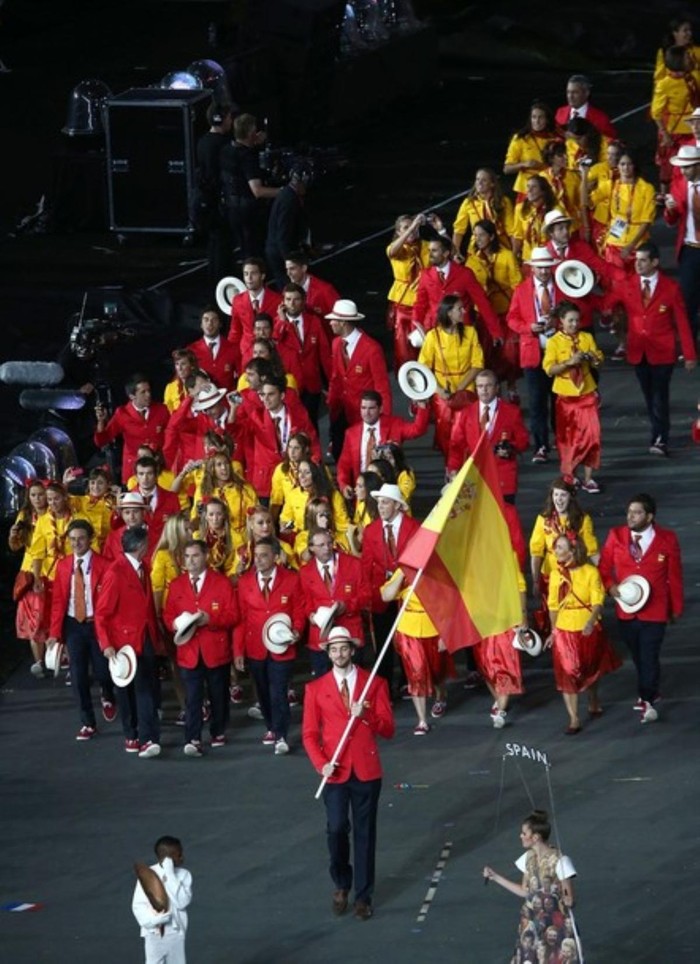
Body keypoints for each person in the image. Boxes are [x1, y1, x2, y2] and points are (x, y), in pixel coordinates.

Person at [301, 627, 395, 920]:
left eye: (344, 648)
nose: (339, 654)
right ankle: (342, 882)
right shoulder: (314, 689)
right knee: (337, 828)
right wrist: (321, 764)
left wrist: (365, 714)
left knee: (366, 835)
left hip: (367, 771)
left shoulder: (375, 683)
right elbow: (308, 734)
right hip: (335, 771)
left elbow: (388, 729)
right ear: (327, 653)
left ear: (352, 650)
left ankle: (364, 896)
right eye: (333, 649)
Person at [599, 493, 685, 724]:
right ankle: (650, 689)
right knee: (637, 655)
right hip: (626, 609)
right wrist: (610, 587)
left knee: (648, 654)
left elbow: (674, 576)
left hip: (655, 611)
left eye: (636, 513)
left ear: (649, 516)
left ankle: (647, 698)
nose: (631, 517)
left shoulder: (667, 538)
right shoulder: (616, 536)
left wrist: (676, 608)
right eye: (629, 512)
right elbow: (604, 568)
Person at [613, 242, 697, 455]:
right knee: (649, 395)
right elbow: (608, 303)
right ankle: (658, 429)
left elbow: (682, 323)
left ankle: (660, 437)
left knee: (660, 395)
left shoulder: (670, 288)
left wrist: (689, 355)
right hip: (638, 351)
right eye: (636, 260)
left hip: (663, 352)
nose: (637, 264)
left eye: (642, 260)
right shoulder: (628, 284)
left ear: (655, 262)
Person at [163, 539, 239, 755]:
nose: (191, 561)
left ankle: (218, 730)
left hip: (216, 650)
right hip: (188, 651)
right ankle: (193, 737)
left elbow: (233, 615)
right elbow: (168, 615)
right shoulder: (176, 584)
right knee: (193, 696)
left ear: (205, 556)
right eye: (187, 557)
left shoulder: (222, 582)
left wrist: (210, 620)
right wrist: (175, 623)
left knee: (218, 694)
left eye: (195, 556)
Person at [95, 525, 164, 757]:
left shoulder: (143, 566)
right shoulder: (116, 572)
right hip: (123, 644)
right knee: (128, 692)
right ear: (141, 546)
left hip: (144, 638)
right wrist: (106, 644)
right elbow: (102, 613)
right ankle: (134, 735)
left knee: (145, 688)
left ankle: (146, 738)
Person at [46, 519, 117, 740]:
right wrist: (54, 634)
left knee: (103, 672)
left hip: (97, 624)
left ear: (91, 539)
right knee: (78, 676)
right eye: (72, 539)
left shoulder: (105, 565)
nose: (76, 543)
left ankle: (108, 694)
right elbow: (58, 601)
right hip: (73, 625)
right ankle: (88, 723)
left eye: (81, 538)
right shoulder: (64, 564)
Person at [233, 537, 304, 754]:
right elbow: (241, 619)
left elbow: (299, 609)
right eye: (257, 556)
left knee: (279, 691)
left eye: (264, 555)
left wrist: (297, 630)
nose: (259, 560)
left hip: (282, 646)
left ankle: (281, 734)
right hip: (255, 647)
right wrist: (238, 650)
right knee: (263, 692)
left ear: (276, 557)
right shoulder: (245, 582)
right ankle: (271, 726)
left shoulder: (291, 579)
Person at [546, 534, 621, 733]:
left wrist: (590, 621)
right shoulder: (556, 575)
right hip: (564, 629)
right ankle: (574, 718)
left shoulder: (590, 572)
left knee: (590, 668)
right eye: (555, 547)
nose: (556, 551)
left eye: (560, 547)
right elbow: (552, 605)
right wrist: (553, 631)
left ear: (573, 551)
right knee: (567, 673)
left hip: (587, 628)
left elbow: (598, 601)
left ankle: (593, 699)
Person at [483, 809, 577, 963]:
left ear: (536, 837)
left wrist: (567, 899)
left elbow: (570, 899)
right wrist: (495, 877)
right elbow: (525, 891)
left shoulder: (561, 860)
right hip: (532, 922)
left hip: (553, 925)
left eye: (524, 833)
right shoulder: (528, 858)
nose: (520, 836)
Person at [361, 483, 420, 689]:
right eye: (379, 503)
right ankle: (385, 686)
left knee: (407, 640)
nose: (381, 507)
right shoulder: (371, 530)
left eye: (385, 503)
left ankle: (409, 681)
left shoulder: (413, 528)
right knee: (384, 643)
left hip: (407, 593)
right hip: (382, 596)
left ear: (396, 505)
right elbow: (366, 565)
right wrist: (370, 595)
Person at [506, 247, 562, 462]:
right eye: (540, 267)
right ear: (532, 268)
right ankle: (541, 446)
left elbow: (572, 312)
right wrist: (529, 328)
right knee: (537, 403)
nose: (544, 271)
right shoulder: (521, 290)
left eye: (548, 268)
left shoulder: (561, 288)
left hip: (559, 352)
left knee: (559, 400)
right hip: (533, 353)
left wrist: (557, 322)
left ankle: (561, 440)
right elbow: (511, 319)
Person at [542, 301, 604, 492]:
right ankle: (570, 475)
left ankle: (588, 478)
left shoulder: (586, 337)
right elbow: (549, 369)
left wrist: (593, 358)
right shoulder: (553, 342)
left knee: (592, 437)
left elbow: (599, 361)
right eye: (570, 320)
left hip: (586, 394)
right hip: (565, 397)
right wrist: (569, 362)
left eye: (577, 320)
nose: (574, 324)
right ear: (561, 321)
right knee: (568, 439)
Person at [380, 568, 451, 733]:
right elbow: (386, 596)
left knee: (436, 671)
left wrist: (445, 634)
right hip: (409, 628)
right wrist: (402, 575)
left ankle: (440, 697)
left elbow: (448, 604)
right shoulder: (402, 571)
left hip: (434, 626)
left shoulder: (437, 570)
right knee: (416, 672)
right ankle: (422, 720)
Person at [447, 369, 529, 503]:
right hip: (474, 477)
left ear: (497, 388)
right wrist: (453, 469)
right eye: (480, 386)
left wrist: (510, 448)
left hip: (503, 478)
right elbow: (456, 445)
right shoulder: (466, 413)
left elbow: (523, 441)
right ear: (476, 389)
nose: (484, 390)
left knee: (503, 520)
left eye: (488, 386)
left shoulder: (511, 412)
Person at [417, 294, 485, 457]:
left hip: (466, 386)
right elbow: (423, 368)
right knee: (445, 429)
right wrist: (439, 390)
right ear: (448, 313)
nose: (463, 311)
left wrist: (460, 389)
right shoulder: (433, 336)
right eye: (459, 308)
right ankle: (450, 465)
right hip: (441, 387)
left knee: (467, 427)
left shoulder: (470, 332)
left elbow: (477, 364)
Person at [233, 374, 320, 500]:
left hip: (295, 480)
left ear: (282, 395)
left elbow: (313, 442)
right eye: (262, 395)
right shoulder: (256, 416)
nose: (266, 399)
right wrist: (233, 410)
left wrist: (314, 464)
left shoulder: (299, 415)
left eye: (271, 394)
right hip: (265, 482)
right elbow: (236, 432)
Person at [529, 479, 599, 634]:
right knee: (552, 609)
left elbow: (592, 551)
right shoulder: (543, 519)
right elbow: (536, 552)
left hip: (576, 575)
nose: (558, 499)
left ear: (571, 497)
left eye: (563, 495)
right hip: (550, 575)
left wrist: (604, 574)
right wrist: (535, 580)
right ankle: (555, 640)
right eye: (556, 495)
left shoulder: (582, 520)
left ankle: (572, 640)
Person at [325, 299, 393, 459]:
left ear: (343, 323)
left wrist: (386, 421)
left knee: (360, 458)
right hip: (340, 412)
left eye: (333, 320)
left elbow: (382, 386)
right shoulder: (336, 344)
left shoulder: (372, 349)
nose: (330, 323)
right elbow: (336, 377)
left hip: (363, 414)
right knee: (339, 455)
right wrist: (331, 404)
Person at [299, 527, 370, 677]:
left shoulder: (353, 564)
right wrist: (310, 614)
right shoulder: (305, 572)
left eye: (329, 543)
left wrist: (348, 606)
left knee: (354, 679)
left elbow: (366, 594)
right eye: (321, 545)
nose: (327, 548)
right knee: (324, 682)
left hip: (350, 630)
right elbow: (304, 600)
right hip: (321, 635)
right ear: (311, 548)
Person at [336, 390, 429, 498]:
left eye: (371, 408)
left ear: (380, 409)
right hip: (363, 491)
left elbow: (418, 429)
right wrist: (344, 484)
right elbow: (343, 465)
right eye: (363, 408)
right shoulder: (351, 433)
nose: (367, 412)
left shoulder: (394, 424)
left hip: (388, 490)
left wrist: (422, 406)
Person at [466, 218, 523, 394]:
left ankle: (512, 385)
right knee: (487, 354)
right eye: (475, 235)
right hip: (483, 314)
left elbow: (517, 285)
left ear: (491, 236)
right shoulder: (472, 260)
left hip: (505, 311)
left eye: (481, 235)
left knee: (510, 353)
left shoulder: (506, 256)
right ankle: (493, 390)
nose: (478, 239)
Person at [411, 235, 503, 341]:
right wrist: (415, 328)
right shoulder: (425, 275)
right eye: (429, 250)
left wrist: (496, 331)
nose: (430, 254)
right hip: (435, 331)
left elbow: (483, 303)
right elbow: (420, 305)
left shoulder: (465, 274)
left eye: (434, 251)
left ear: (446, 253)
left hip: (462, 330)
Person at [582, 151, 656, 275]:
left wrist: (630, 246)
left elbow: (646, 221)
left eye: (629, 164)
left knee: (636, 282)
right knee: (616, 282)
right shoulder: (611, 185)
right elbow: (586, 201)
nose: (625, 168)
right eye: (622, 164)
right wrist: (584, 176)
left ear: (635, 166)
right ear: (618, 166)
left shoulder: (646, 188)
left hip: (637, 243)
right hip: (614, 241)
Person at [220, 112, 279, 259]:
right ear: (251, 133)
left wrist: (252, 144)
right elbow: (257, 191)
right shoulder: (247, 158)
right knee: (254, 252)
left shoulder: (226, 151)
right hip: (249, 212)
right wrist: (284, 191)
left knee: (245, 250)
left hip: (231, 207)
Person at [273, 282, 332, 427]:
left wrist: (331, 384)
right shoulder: (277, 324)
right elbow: (274, 343)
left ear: (304, 300)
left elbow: (324, 355)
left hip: (312, 384)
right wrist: (282, 322)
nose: (292, 304)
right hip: (289, 386)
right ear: (283, 302)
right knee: (291, 425)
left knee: (312, 424)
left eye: (296, 299)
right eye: (288, 299)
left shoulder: (314, 321)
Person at [93, 373, 170, 483]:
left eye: (149, 390)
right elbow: (101, 441)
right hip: (133, 473)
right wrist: (101, 421)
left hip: (159, 469)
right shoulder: (122, 413)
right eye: (143, 392)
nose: (148, 394)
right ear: (132, 396)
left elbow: (172, 436)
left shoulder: (161, 410)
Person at [9, 480, 49, 676]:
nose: (37, 499)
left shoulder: (53, 514)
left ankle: (57, 658)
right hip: (29, 574)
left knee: (51, 617)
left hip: (51, 570)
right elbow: (15, 547)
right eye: (33, 495)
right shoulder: (24, 516)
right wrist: (12, 536)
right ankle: (39, 662)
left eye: (41, 494)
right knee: (34, 618)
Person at [132, 835, 192, 964]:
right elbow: (138, 905)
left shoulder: (184, 875)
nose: (182, 857)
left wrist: (170, 875)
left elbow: (182, 903)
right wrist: (153, 921)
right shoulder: (149, 875)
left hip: (176, 934)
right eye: (179, 854)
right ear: (167, 858)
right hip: (154, 934)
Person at [193, 102, 233, 293]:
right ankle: (222, 285)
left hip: (204, 202)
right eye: (229, 117)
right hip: (216, 203)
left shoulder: (202, 141)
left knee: (215, 244)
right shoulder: (222, 144)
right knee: (222, 246)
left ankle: (216, 284)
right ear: (220, 119)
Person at [385, 213, 433, 372]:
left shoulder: (427, 246)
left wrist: (441, 230)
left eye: (413, 227)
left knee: (426, 349)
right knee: (404, 352)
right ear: (398, 232)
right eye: (405, 228)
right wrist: (412, 227)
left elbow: (448, 254)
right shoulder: (398, 250)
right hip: (403, 305)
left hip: (424, 304)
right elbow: (392, 251)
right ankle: (412, 388)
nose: (411, 231)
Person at [663, 144, 700, 341]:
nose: (682, 171)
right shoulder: (678, 185)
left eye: (687, 167)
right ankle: (690, 347)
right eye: (681, 167)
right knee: (688, 302)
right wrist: (670, 210)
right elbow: (670, 220)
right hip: (690, 251)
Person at [651, 45, 700, 191]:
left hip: (694, 127)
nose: (690, 58)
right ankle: (668, 197)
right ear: (678, 60)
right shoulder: (664, 84)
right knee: (671, 166)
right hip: (675, 131)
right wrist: (665, 135)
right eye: (686, 56)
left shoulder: (695, 76)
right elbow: (656, 113)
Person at [227, 257, 282, 372]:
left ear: (262, 276)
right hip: (246, 354)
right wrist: (230, 358)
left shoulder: (277, 300)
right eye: (246, 274)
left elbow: (280, 329)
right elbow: (235, 332)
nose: (249, 278)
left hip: (271, 353)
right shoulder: (237, 301)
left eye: (253, 273)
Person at [265, 163, 312, 290]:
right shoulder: (289, 201)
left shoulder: (287, 195)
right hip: (280, 252)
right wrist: (289, 261)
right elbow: (283, 234)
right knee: (289, 289)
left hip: (277, 250)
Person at [503, 100, 561, 198]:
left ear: (547, 119)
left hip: (549, 188)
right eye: (534, 117)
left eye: (540, 117)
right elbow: (507, 169)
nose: (537, 121)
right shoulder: (520, 138)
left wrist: (541, 166)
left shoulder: (556, 139)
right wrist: (524, 164)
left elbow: (560, 169)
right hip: (525, 190)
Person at [452, 168, 515, 256]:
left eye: (484, 180)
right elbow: (459, 230)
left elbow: (511, 231)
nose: (479, 182)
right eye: (477, 179)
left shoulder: (504, 202)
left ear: (492, 184)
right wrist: (455, 252)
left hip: (500, 247)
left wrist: (515, 253)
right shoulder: (468, 203)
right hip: (476, 249)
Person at [186, 306, 238, 392]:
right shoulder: (191, 350)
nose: (210, 323)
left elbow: (242, 376)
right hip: (202, 401)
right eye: (206, 320)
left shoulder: (233, 348)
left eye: (214, 320)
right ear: (201, 324)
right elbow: (186, 379)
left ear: (220, 324)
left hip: (227, 401)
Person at [284, 250, 340, 324]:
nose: (288, 273)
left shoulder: (324, 290)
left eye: (292, 269)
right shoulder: (288, 291)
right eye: (287, 269)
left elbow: (340, 318)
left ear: (304, 268)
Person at [510, 176, 557, 264]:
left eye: (534, 187)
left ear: (543, 191)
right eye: (528, 186)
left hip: (550, 256)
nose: (529, 190)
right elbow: (518, 236)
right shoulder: (520, 209)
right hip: (529, 258)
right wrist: (514, 258)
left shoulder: (555, 209)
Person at [555, 73, 617, 138]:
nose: (570, 96)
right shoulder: (560, 112)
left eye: (575, 92)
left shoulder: (600, 118)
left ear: (586, 93)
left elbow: (611, 140)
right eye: (568, 92)